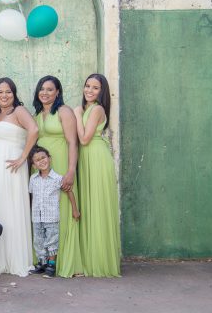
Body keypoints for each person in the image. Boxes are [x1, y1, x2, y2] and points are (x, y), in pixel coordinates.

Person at [0, 77, 38, 277]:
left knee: (11, 207)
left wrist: (23, 157)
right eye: (0, 92)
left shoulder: (19, 111)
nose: (4, 95)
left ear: (14, 94)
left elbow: (34, 130)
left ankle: (14, 258)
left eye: (8, 92)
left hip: (12, 166)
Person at [32, 75, 83, 277]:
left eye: (50, 89)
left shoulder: (64, 111)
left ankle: (62, 261)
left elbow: (72, 142)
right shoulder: (38, 113)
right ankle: (43, 259)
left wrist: (70, 170)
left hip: (60, 163)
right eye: (42, 89)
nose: (45, 93)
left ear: (58, 92)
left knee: (61, 208)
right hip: (41, 165)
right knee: (44, 211)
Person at [73, 73, 121, 277]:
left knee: (97, 206)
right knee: (89, 206)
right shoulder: (87, 108)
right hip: (87, 159)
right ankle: (89, 258)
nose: (89, 90)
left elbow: (84, 139)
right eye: (87, 86)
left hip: (97, 158)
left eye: (95, 88)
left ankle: (100, 261)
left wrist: (76, 115)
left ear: (102, 92)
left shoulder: (97, 109)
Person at [28, 146, 80, 278]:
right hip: (36, 217)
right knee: (38, 241)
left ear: (49, 158)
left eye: (43, 157)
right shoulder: (33, 179)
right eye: (37, 160)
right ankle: (42, 263)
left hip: (51, 216)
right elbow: (32, 196)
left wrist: (75, 210)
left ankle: (51, 266)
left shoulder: (57, 178)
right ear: (34, 165)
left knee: (51, 241)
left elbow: (69, 192)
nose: (41, 161)